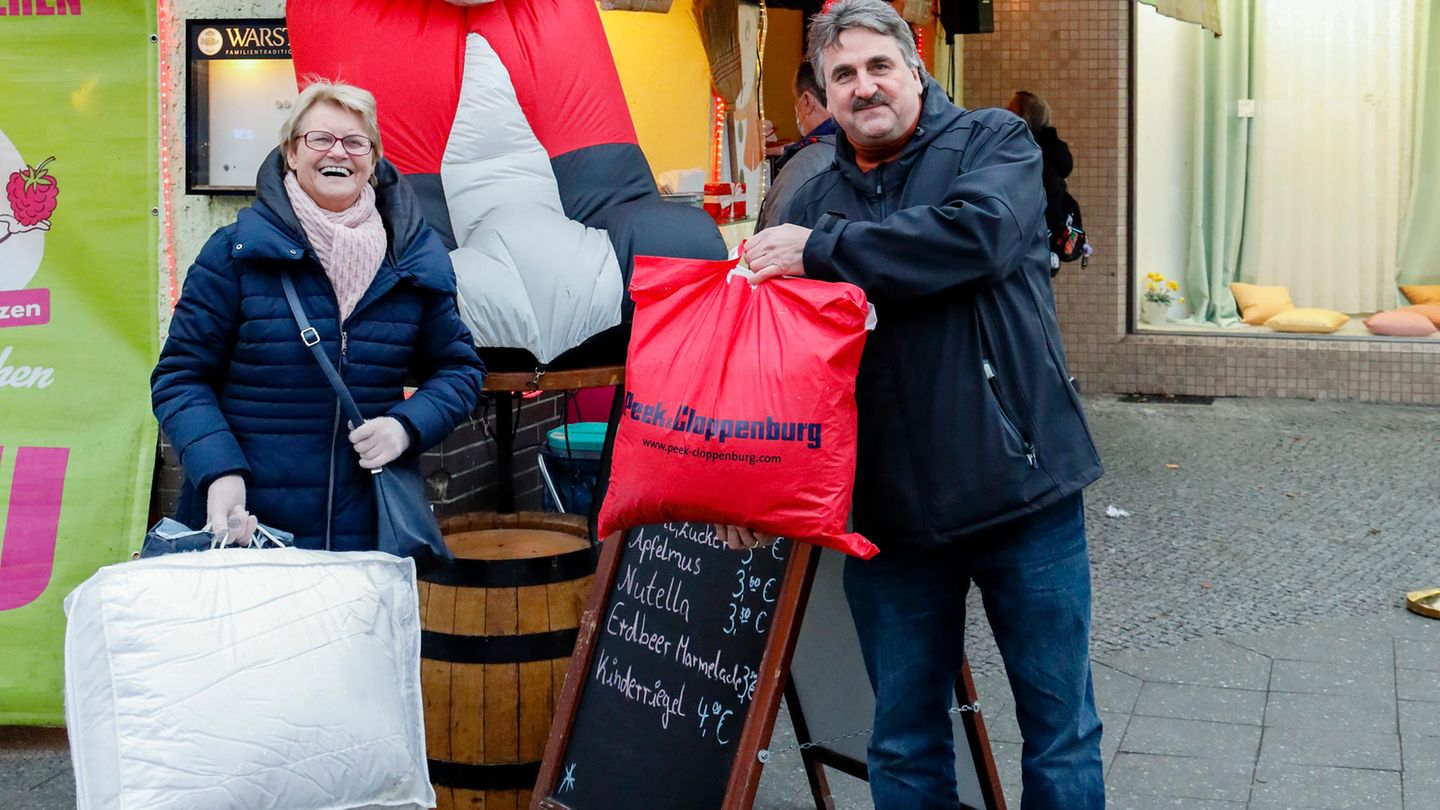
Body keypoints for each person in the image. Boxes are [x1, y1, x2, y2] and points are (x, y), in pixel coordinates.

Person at [735, 1, 1106, 807]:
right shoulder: (804, 198)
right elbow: (776, 363)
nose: (864, 88)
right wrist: (745, 488)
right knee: (902, 743)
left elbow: (975, 237)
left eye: (878, 67)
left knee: (1061, 734)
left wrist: (824, 252)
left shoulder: (995, 143)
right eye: (843, 76)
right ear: (823, 99)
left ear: (915, 69)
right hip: (891, 521)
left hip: (1023, 496)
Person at [152, 79, 485, 550]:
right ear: (291, 152)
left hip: (364, 535)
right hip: (249, 529)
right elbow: (180, 377)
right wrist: (219, 470)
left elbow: (460, 369)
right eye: (320, 139)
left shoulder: (410, 262)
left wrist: (406, 426)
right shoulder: (234, 255)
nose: (339, 153)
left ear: (373, 160)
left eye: (355, 142)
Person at [756, 62, 839, 230]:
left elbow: (775, 237)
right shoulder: (859, 151)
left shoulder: (806, 163)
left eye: (795, 100)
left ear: (807, 101)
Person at [1007, 90, 1074, 263]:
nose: (1005, 111)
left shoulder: (1031, 154)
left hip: (1027, 241)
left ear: (1025, 117)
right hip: (1043, 242)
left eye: (1011, 108)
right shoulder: (1051, 152)